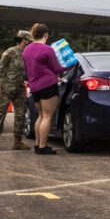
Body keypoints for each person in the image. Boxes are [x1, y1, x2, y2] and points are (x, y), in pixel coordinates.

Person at [21, 23, 69, 155]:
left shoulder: (26, 50)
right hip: (48, 85)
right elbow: (57, 68)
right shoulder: (47, 49)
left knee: (41, 116)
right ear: (46, 35)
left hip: (34, 86)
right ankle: (43, 146)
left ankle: (37, 144)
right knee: (48, 117)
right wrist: (70, 64)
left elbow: (29, 70)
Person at [0, 30, 34, 151]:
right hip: (6, 88)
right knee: (0, 114)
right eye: (30, 41)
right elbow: (0, 69)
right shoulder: (10, 52)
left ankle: (17, 142)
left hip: (20, 88)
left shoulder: (28, 54)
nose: (31, 43)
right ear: (24, 40)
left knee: (20, 115)